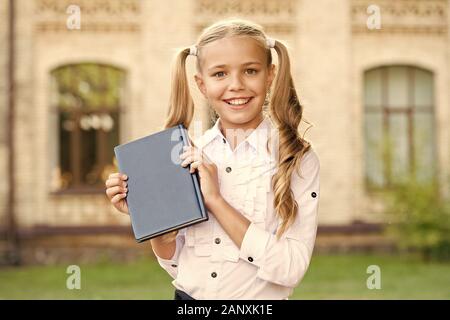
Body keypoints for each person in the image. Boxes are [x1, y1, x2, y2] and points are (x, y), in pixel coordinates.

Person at [105, 18, 320, 300]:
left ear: (270, 75)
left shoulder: (295, 158)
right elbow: (177, 263)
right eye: (220, 74)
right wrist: (151, 218)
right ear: (202, 84)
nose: (236, 85)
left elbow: (291, 268)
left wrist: (215, 201)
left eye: (250, 71)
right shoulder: (186, 153)